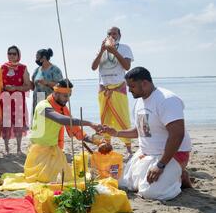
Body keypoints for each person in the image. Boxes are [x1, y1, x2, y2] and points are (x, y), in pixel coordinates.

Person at [103, 67, 193, 201]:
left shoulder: (167, 100)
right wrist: (116, 132)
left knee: (150, 193)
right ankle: (172, 175)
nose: (129, 90)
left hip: (172, 155)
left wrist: (160, 165)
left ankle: (179, 177)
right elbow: (141, 130)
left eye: (132, 86)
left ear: (144, 83)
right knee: (124, 183)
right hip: (147, 153)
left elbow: (177, 135)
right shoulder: (139, 102)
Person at [27, 79, 101, 183]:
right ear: (56, 93)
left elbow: (75, 130)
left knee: (66, 180)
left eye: (69, 96)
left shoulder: (63, 109)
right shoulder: (43, 106)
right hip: (39, 151)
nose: (67, 99)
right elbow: (60, 119)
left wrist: (95, 140)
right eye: (65, 96)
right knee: (43, 181)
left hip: (55, 150)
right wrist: (90, 123)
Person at [91, 26, 134, 155]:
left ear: (119, 36)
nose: (112, 35)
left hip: (118, 87)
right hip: (103, 88)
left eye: (114, 33)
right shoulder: (102, 49)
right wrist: (102, 50)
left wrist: (114, 51)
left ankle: (128, 148)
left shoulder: (125, 48)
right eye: (109, 33)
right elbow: (93, 67)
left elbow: (126, 66)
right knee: (105, 119)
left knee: (123, 117)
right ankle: (107, 146)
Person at [1, 45, 31, 155]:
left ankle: (19, 148)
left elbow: (27, 86)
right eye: (9, 53)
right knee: (6, 124)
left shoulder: (23, 68)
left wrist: (15, 88)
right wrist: (4, 88)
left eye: (14, 53)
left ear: (18, 55)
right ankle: (6, 148)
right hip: (5, 100)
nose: (11, 56)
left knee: (19, 124)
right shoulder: (3, 67)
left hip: (18, 100)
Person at [31, 48, 63, 115]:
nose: (36, 60)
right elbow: (33, 86)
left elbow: (61, 86)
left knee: (48, 122)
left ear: (44, 58)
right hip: (38, 100)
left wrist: (47, 83)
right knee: (39, 123)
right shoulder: (37, 70)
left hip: (49, 100)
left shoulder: (55, 70)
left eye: (37, 57)